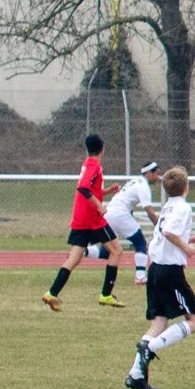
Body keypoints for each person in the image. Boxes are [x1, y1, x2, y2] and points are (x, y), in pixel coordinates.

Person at [126, 167, 195, 389]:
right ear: (186, 187)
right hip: (170, 272)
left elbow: (165, 234)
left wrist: (189, 238)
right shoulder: (182, 208)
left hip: (156, 269)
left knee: (160, 323)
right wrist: (188, 249)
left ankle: (136, 375)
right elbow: (170, 233)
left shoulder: (168, 206)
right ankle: (150, 349)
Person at [44, 133, 114, 311]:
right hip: (92, 219)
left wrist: (106, 191)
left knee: (74, 258)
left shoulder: (87, 163)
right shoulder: (95, 165)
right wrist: (99, 206)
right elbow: (83, 187)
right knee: (117, 251)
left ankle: (51, 293)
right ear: (102, 149)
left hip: (81, 217)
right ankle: (106, 295)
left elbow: (90, 189)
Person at [101, 161, 162, 304]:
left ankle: (84, 251)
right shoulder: (143, 186)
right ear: (148, 173)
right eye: (156, 173)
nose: (158, 177)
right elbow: (150, 212)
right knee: (141, 243)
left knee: (109, 252)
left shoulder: (134, 181)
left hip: (109, 213)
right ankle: (140, 276)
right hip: (119, 214)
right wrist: (160, 227)